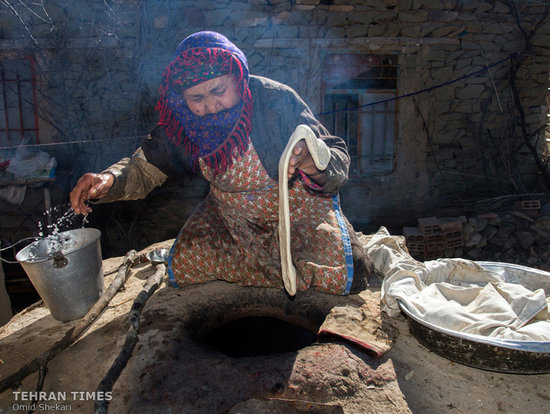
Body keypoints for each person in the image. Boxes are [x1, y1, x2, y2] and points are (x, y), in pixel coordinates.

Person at [70, 31, 371, 295]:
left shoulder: (274, 100)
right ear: (182, 97)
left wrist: (311, 161)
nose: (210, 106)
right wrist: (108, 179)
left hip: (297, 213)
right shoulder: (182, 122)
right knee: (186, 263)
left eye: (219, 91)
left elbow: (338, 157)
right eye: (196, 97)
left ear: (238, 79)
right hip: (231, 220)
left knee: (350, 270)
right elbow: (143, 168)